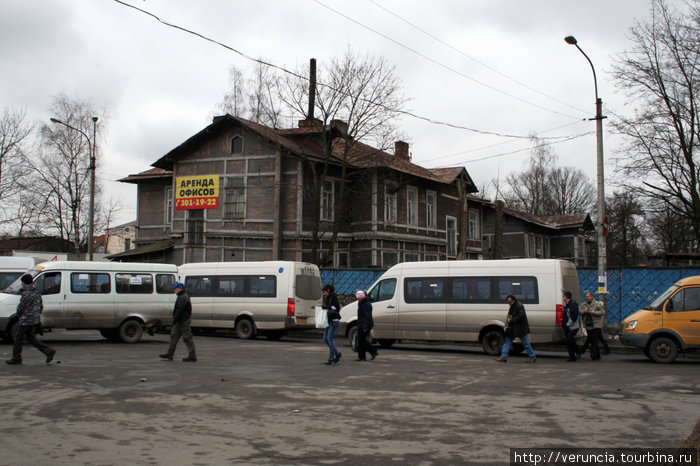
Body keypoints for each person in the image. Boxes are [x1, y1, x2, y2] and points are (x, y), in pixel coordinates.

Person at [6, 274, 56, 365]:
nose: (21, 284)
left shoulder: (27, 293)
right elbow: (41, 305)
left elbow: (22, 306)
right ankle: (48, 351)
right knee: (31, 338)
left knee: (18, 338)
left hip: (26, 319)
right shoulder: (36, 291)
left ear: (25, 282)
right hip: (34, 319)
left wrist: (18, 315)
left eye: (22, 282)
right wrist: (36, 315)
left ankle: (16, 358)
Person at [159, 282, 197, 362]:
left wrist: (174, 319)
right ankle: (170, 353)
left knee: (187, 337)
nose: (174, 290)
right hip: (180, 320)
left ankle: (192, 355)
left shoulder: (183, 297)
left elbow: (179, 309)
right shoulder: (182, 296)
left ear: (180, 289)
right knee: (174, 336)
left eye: (175, 289)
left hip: (183, 320)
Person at [496, 295, 536, 363]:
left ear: (513, 300)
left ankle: (532, 356)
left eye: (510, 302)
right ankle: (503, 356)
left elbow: (520, 316)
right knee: (508, 340)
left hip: (519, 328)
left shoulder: (519, 306)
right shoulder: (514, 305)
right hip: (514, 328)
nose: (509, 304)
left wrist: (511, 320)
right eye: (508, 302)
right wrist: (509, 316)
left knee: (525, 342)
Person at [580, 291, 607, 360]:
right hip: (588, 324)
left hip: (596, 324)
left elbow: (602, 312)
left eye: (588, 296)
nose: (587, 298)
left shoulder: (597, 304)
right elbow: (579, 312)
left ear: (592, 297)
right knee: (591, 339)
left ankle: (593, 354)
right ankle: (597, 354)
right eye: (586, 297)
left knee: (594, 339)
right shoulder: (583, 305)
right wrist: (584, 311)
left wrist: (594, 312)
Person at [321, 284, 341, 365]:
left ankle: (331, 358)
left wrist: (327, 307)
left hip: (334, 320)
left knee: (330, 339)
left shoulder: (333, 297)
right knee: (325, 338)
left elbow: (335, 307)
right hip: (329, 320)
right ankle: (337, 353)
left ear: (328, 290)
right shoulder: (328, 297)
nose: (324, 293)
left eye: (325, 292)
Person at [355, 290, 377, 361]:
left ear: (362, 297)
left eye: (358, 298)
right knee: (360, 340)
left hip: (366, 325)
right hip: (361, 323)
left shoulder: (367, 304)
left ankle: (373, 351)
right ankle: (362, 357)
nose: (357, 299)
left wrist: (365, 327)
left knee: (362, 340)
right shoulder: (360, 302)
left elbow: (367, 316)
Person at [562, 291, 581, 362]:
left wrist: (568, 324)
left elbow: (574, 316)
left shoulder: (573, 305)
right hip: (567, 326)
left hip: (573, 326)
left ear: (566, 297)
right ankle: (572, 356)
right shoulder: (566, 305)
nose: (563, 298)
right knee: (568, 341)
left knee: (570, 339)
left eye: (563, 296)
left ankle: (578, 351)